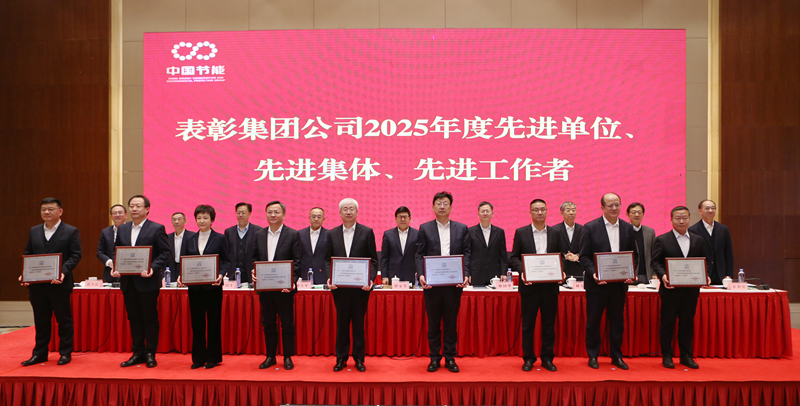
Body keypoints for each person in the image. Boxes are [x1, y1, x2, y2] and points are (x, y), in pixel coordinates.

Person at [19, 198, 82, 366]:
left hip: (59, 284)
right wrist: (25, 274)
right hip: (37, 285)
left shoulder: (71, 231)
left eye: (50, 209)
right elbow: (29, 254)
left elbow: (76, 255)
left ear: (60, 211)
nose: (46, 212)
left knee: (63, 320)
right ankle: (39, 354)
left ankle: (65, 353)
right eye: (43, 209)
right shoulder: (34, 231)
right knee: (41, 320)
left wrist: (63, 272)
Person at [111, 195, 171, 368]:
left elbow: (165, 252)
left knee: (149, 317)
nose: (134, 209)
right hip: (128, 281)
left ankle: (150, 353)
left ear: (147, 209)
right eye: (132, 206)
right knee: (134, 318)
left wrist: (153, 268)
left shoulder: (156, 228)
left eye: (138, 206)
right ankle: (138, 352)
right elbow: (117, 251)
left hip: (148, 281)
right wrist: (115, 267)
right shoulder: (122, 229)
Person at [579, 193, 637, 370]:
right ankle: (593, 355)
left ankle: (616, 356)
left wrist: (631, 272)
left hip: (619, 285)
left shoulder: (628, 228)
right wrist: (594, 273)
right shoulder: (590, 227)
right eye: (610, 205)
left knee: (617, 322)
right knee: (593, 322)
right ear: (602, 207)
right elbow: (584, 256)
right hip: (597, 285)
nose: (614, 208)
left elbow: (634, 255)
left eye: (617, 205)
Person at [416, 191, 471, 373]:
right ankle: (434, 358)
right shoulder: (425, 228)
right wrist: (421, 274)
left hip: (453, 284)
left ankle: (450, 358)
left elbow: (467, 253)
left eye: (445, 203)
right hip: (432, 285)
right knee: (433, 323)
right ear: (433, 207)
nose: (442, 206)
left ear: (450, 207)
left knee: (450, 323)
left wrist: (466, 273)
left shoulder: (461, 228)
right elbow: (419, 254)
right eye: (438, 203)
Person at [651, 206, 709, 370]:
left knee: (687, 324)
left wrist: (706, 275)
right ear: (671, 220)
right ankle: (667, 356)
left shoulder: (698, 240)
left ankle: (686, 356)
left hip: (690, 291)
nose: (681, 221)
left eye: (685, 218)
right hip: (670, 290)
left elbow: (704, 261)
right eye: (678, 218)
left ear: (689, 219)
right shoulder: (662, 239)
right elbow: (655, 262)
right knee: (667, 324)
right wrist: (663, 275)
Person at [509, 199, 564, 372]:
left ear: (547, 211)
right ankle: (529, 358)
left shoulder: (556, 233)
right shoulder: (521, 232)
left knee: (549, 325)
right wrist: (523, 272)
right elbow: (514, 257)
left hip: (550, 287)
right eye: (536, 210)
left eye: (542, 209)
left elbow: (561, 256)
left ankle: (547, 358)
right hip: (529, 286)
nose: (539, 213)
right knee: (528, 325)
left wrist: (561, 271)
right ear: (530, 212)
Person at [325, 198, 378, 372]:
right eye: (345, 209)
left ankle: (359, 358)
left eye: (351, 209)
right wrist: (329, 277)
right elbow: (326, 260)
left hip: (360, 289)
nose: (348, 212)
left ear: (357, 212)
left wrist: (370, 279)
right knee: (342, 324)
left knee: (358, 324)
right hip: (339, 288)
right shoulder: (332, 234)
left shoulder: (367, 232)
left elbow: (373, 260)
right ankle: (341, 358)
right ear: (340, 213)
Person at [178, 204, 230, 369]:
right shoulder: (190, 239)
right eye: (199, 217)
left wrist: (221, 275)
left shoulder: (220, 238)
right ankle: (198, 358)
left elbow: (226, 261)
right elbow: (184, 260)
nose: (202, 221)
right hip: (195, 288)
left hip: (213, 287)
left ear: (212, 220)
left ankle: (213, 357)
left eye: (205, 217)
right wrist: (181, 275)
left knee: (213, 323)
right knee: (197, 323)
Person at [251, 201, 302, 371]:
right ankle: (270, 356)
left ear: (283, 214)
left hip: (284, 289)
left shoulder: (292, 234)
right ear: (266, 214)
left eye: (276, 212)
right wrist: (253, 271)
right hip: (265, 288)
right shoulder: (259, 235)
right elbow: (254, 258)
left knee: (287, 324)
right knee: (268, 324)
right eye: (270, 212)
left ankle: (287, 356)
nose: (273, 215)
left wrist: (292, 281)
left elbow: (297, 261)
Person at [688, 199, 734, 285]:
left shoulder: (723, 229)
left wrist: (729, 274)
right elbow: (692, 255)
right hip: (703, 274)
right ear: (700, 211)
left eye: (713, 208)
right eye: (707, 208)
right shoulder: (693, 230)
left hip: (721, 274)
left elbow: (728, 253)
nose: (710, 210)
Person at [467, 201, 508, 286]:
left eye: (487, 211)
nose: (485, 213)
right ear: (478, 214)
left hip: (495, 274)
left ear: (492, 213)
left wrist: (503, 273)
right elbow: (468, 254)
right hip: (476, 274)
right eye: (482, 211)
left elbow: (503, 255)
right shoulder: (470, 231)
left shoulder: (499, 232)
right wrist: (468, 273)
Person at [224, 202, 263, 286]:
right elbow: (226, 253)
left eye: (243, 212)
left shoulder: (258, 231)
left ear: (249, 213)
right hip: (233, 274)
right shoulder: (229, 232)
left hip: (251, 274)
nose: (241, 215)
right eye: (238, 212)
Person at [380, 206, 419, 283]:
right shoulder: (388, 235)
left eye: (405, 217)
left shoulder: (417, 234)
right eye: (400, 217)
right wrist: (384, 276)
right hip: (393, 276)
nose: (403, 219)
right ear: (396, 219)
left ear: (410, 218)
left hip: (411, 275)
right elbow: (384, 257)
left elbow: (419, 256)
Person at [549, 201, 584, 278]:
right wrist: (564, 256)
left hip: (579, 269)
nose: (571, 213)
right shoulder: (554, 230)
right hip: (561, 269)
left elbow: (586, 247)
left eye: (573, 210)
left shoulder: (583, 229)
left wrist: (577, 256)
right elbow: (552, 249)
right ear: (562, 213)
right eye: (568, 210)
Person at [626, 203, 656, 283]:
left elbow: (654, 254)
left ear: (643, 214)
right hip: (628, 276)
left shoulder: (650, 232)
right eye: (633, 212)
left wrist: (654, 273)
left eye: (639, 212)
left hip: (647, 275)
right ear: (627, 215)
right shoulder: (623, 231)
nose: (637, 215)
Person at [97, 204, 127, 282]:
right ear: (111, 216)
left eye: (120, 212)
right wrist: (109, 262)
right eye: (114, 213)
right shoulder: (105, 232)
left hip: (129, 271)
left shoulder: (132, 229)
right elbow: (100, 252)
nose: (117, 215)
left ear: (126, 215)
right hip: (110, 273)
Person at [298, 207, 328, 284]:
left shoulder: (329, 235)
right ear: (309, 218)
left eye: (319, 217)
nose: (316, 219)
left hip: (323, 275)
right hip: (304, 275)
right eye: (313, 216)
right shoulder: (300, 234)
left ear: (324, 219)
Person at [166, 212, 195, 282]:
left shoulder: (192, 236)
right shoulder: (167, 237)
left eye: (179, 219)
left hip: (187, 269)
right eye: (174, 219)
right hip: (172, 269)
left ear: (185, 221)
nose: (176, 222)